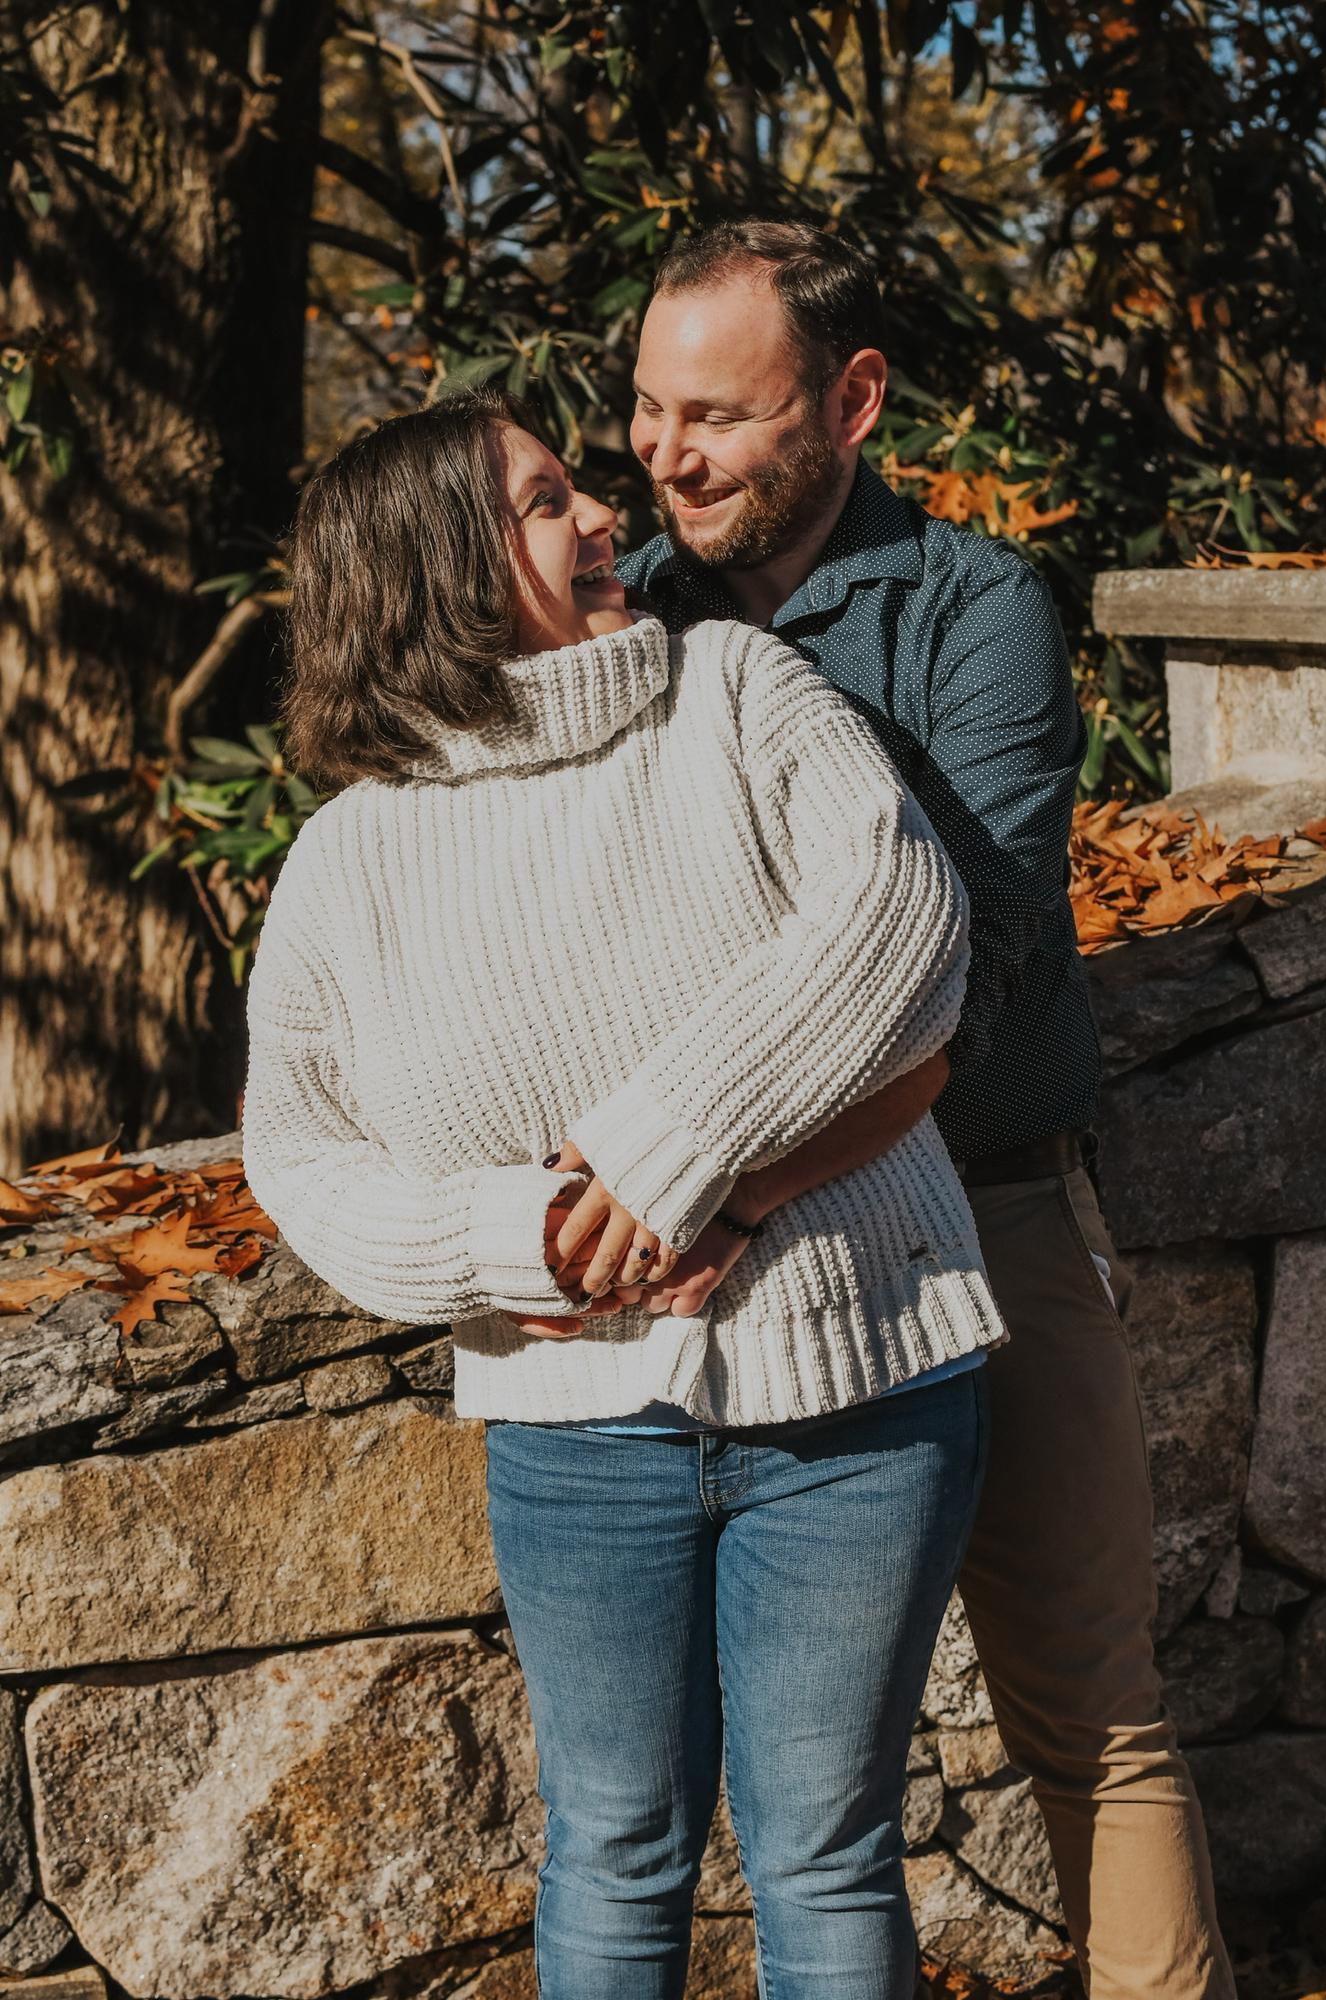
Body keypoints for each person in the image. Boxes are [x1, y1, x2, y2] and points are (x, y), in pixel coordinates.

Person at [242, 390, 1008, 2000]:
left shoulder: (735, 689)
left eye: (575, 489)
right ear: (440, 571)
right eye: (543, 502)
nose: (604, 515)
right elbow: (298, 1156)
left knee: (824, 1853)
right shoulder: (349, 859)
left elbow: (901, 927)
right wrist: (508, 1239)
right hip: (575, 1436)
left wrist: (661, 1153)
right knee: (613, 1847)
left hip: (859, 1388)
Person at [611, 218, 1235, 1999]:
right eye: (649, 410)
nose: (667, 456)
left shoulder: (973, 608)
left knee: (1091, 1701)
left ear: (853, 399)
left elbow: (982, 960)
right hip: (706, 1251)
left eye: (718, 414)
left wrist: (746, 1170)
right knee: (723, 1789)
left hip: (981, 1208)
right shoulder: (622, 615)